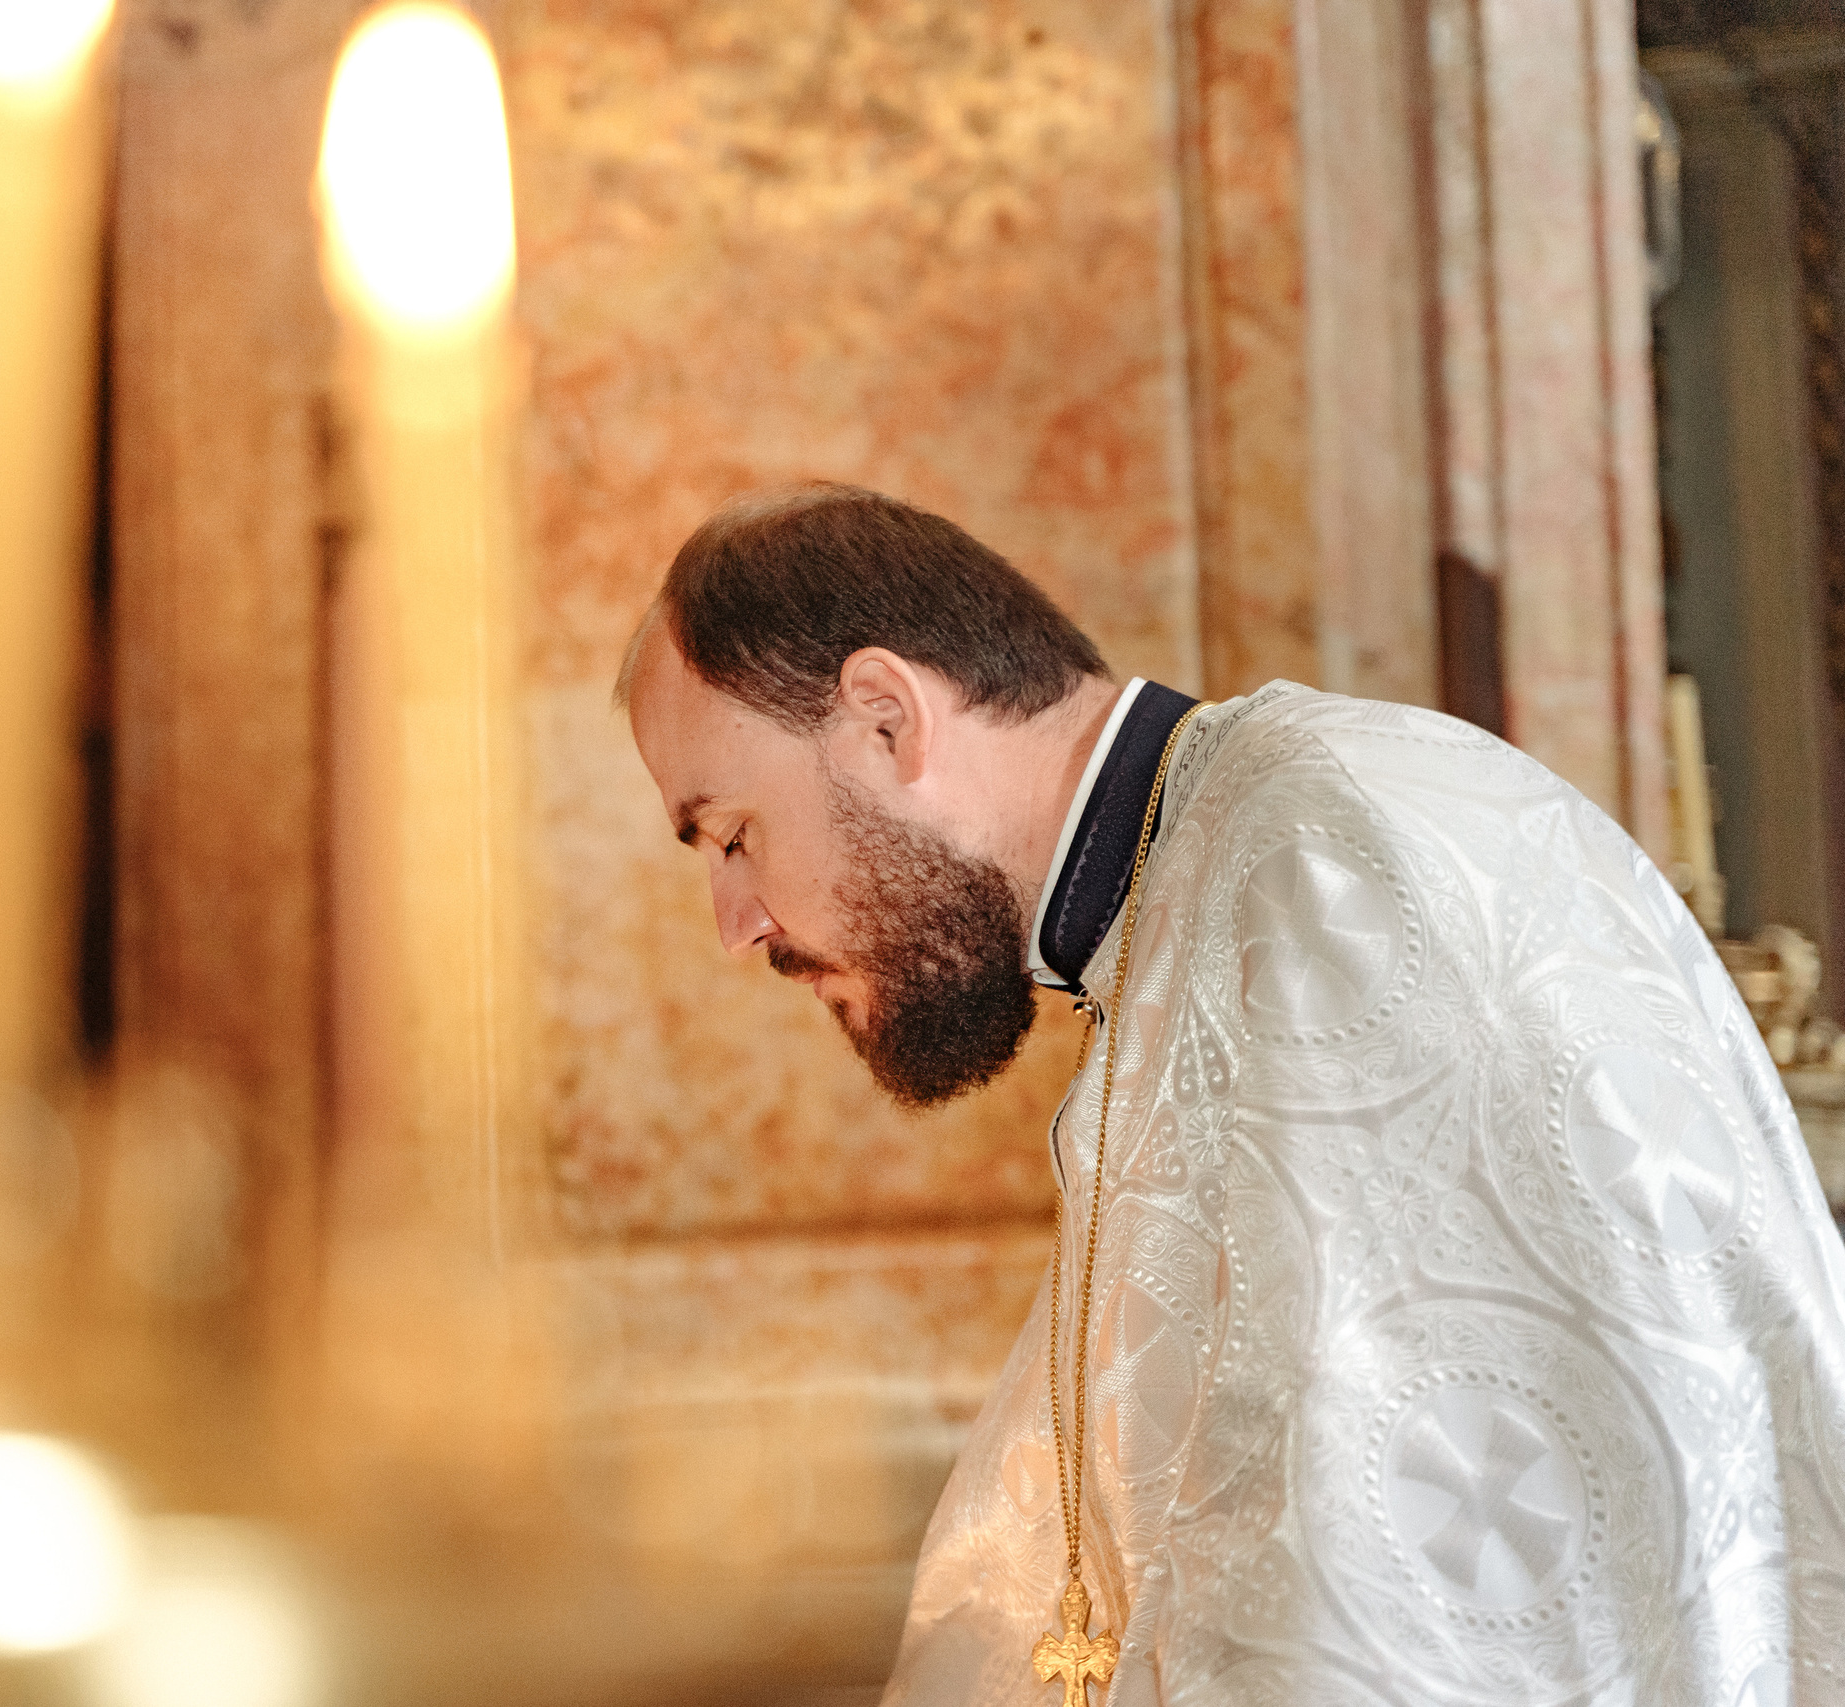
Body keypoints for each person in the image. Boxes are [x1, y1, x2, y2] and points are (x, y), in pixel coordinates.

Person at [617, 483, 1845, 1705]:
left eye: (729, 834)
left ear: (885, 720)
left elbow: (1399, 1593)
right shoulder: (1218, 873)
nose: (736, 927)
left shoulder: (1323, 868)